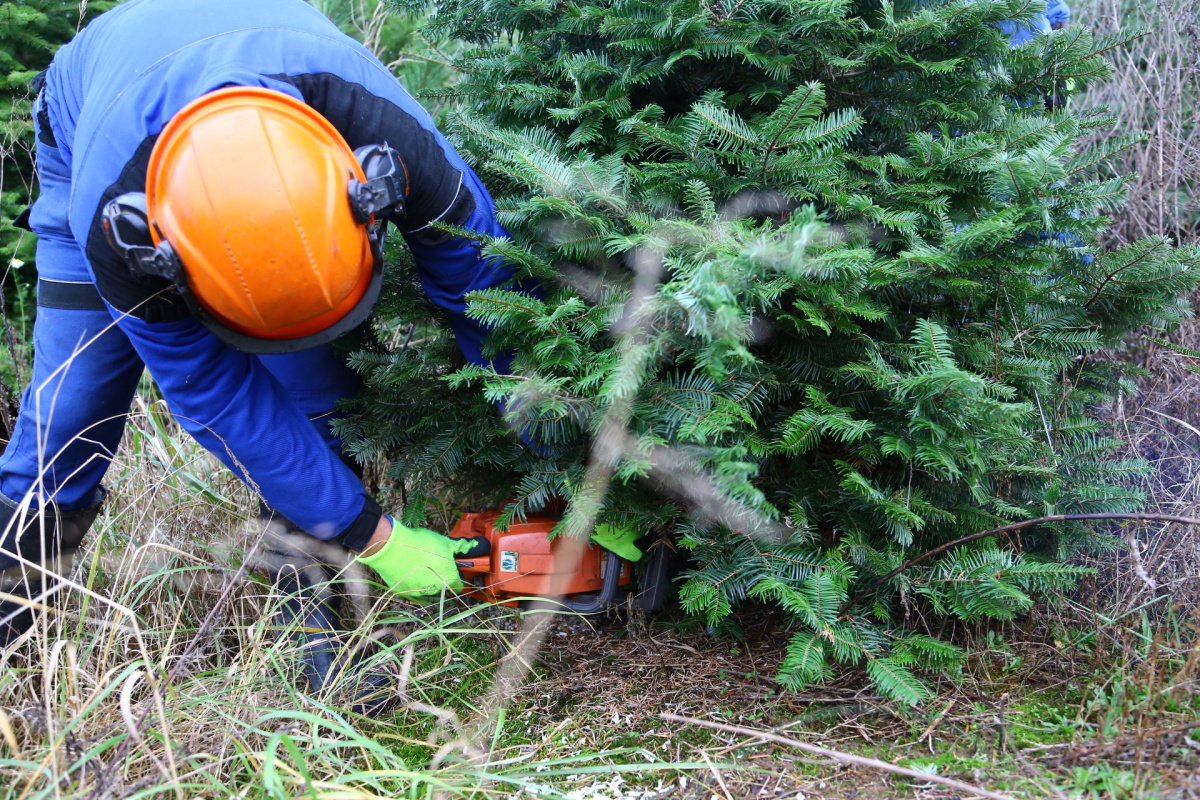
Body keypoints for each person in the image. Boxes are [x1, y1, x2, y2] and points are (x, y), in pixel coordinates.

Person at [0, 0, 509, 703]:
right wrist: (379, 536)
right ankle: (10, 650)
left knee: (321, 396)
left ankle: (327, 643)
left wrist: (552, 441)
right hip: (97, 124)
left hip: (273, 73)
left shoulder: (385, 134)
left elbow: (484, 280)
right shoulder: (118, 227)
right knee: (70, 417)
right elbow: (218, 397)